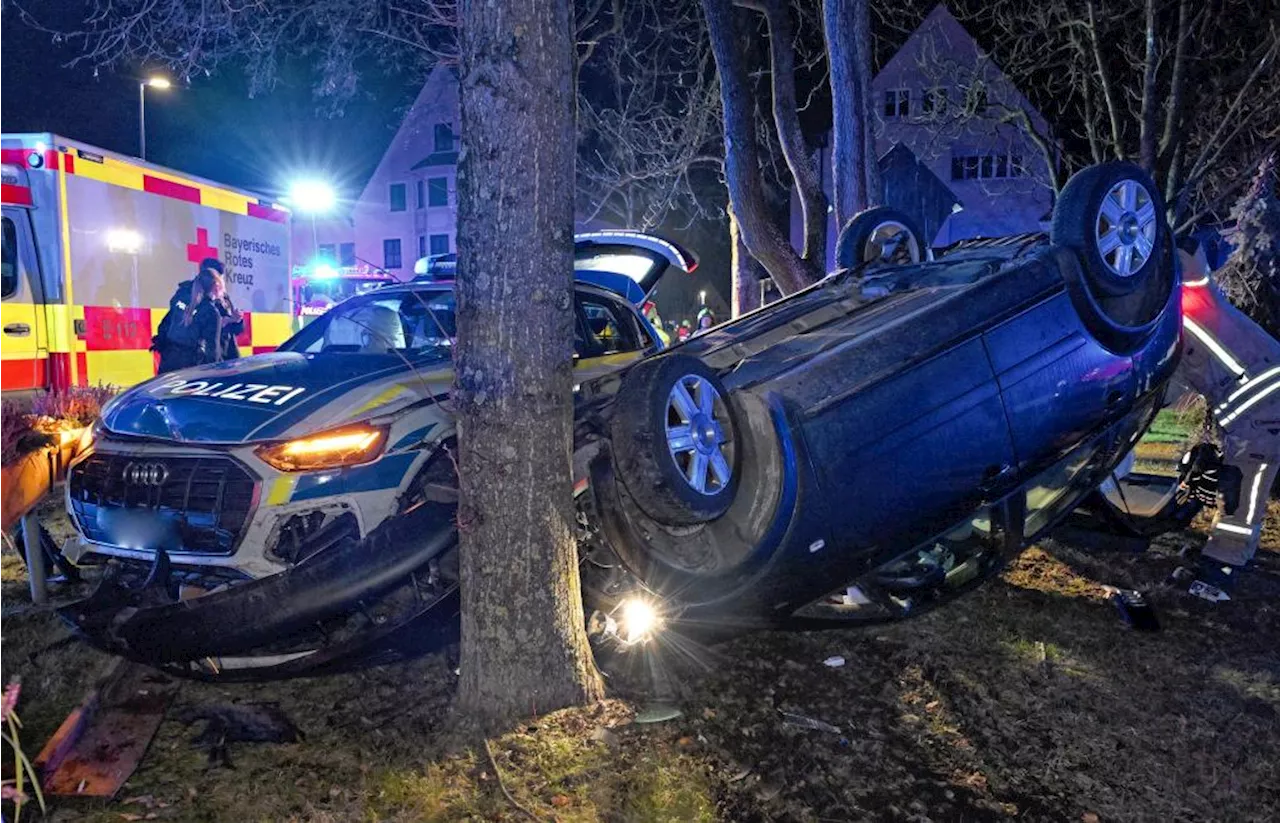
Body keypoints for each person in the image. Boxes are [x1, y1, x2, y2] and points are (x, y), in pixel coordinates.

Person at [1173, 237, 1280, 601]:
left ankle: (1222, 571)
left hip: (1268, 414)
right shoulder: (1167, 334)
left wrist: (1181, 246)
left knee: (1241, 494)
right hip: (1249, 419)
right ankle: (1221, 559)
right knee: (1236, 486)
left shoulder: (1196, 305)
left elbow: (1195, 274)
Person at [155, 261, 226, 373]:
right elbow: (212, 349)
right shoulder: (211, 312)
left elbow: (165, 324)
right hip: (191, 365)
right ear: (216, 287)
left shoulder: (180, 298)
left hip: (169, 359)